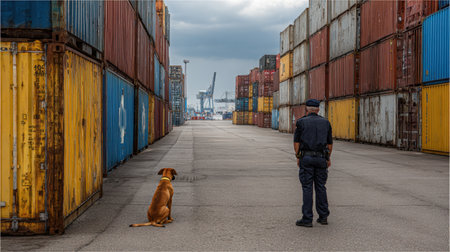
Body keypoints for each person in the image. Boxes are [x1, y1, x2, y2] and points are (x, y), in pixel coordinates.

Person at [293, 99, 333, 227]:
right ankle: (323, 217)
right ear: (318, 109)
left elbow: (296, 143)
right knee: (321, 186)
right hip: (321, 158)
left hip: (307, 158)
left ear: (306, 109)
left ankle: (307, 219)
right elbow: (330, 144)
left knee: (307, 187)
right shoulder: (326, 123)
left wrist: (298, 156)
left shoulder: (301, 122)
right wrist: (328, 158)